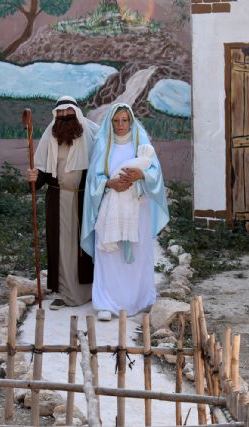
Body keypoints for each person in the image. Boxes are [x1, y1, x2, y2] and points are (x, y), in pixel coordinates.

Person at [81, 104, 169, 320]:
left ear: (131, 121)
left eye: (124, 120)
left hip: (138, 207)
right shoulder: (103, 143)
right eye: (116, 121)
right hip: (110, 207)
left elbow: (155, 174)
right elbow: (94, 178)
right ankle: (107, 303)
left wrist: (141, 175)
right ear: (110, 122)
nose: (120, 125)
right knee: (109, 254)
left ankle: (138, 299)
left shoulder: (142, 143)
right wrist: (110, 183)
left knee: (137, 255)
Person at [27, 96, 99, 310]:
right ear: (55, 115)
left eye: (69, 113)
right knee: (62, 247)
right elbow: (41, 169)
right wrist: (34, 177)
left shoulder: (92, 133)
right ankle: (67, 293)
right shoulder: (49, 136)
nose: (65, 117)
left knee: (85, 246)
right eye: (61, 113)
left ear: (76, 114)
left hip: (84, 200)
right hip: (58, 199)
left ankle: (89, 291)